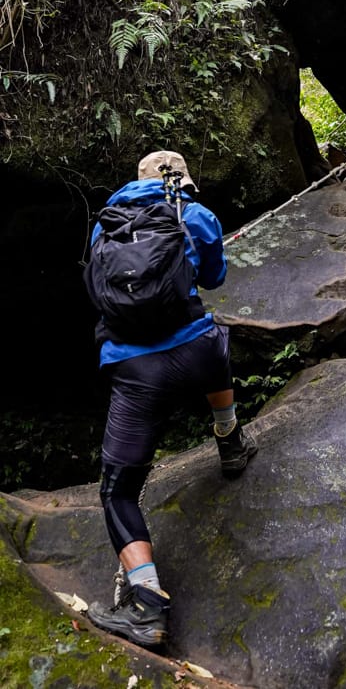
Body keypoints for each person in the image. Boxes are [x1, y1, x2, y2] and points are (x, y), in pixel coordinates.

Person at [85, 149, 257, 649]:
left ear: (134, 181)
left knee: (118, 490)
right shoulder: (194, 214)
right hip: (196, 353)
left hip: (134, 368)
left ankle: (145, 604)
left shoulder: (105, 226)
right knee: (214, 337)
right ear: (183, 179)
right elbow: (214, 279)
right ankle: (229, 439)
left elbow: (98, 292)